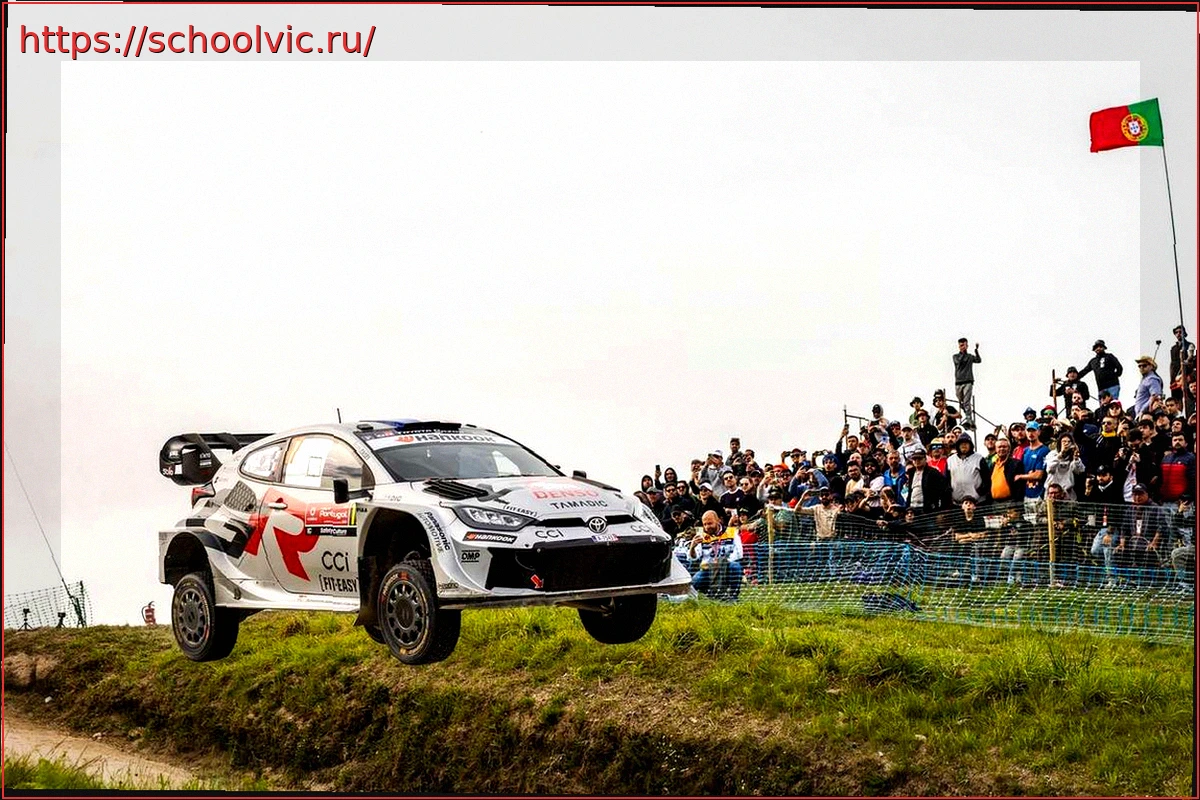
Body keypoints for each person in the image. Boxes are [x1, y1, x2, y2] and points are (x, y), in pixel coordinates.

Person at [687, 510, 744, 600]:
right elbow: (694, 557)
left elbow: (739, 553)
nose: (707, 527)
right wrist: (692, 547)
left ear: (718, 521)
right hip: (708, 570)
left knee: (736, 567)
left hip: (727, 567)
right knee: (696, 580)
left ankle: (733, 596)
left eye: (710, 523)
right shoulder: (701, 536)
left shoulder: (731, 532)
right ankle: (712, 595)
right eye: (705, 524)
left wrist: (722, 562)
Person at [946, 432, 991, 505]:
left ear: (970, 445)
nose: (964, 445)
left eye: (966, 443)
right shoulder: (950, 460)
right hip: (957, 502)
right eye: (961, 443)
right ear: (958, 445)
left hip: (977, 502)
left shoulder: (979, 458)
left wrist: (979, 492)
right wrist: (950, 492)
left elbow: (987, 479)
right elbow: (946, 480)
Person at [901, 447, 947, 514]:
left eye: (919, 458)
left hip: (927, 509)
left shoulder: (933, 473)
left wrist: (939, 510)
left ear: (925, 459)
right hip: (912, 508)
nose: (917, 461)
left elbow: (944, 490)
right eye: (915, 459)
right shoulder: (911, 473)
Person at [1044, 432, 1085, 501]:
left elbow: (1079, 471)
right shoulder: (1052, 454)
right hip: (1052, 492)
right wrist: (1061, 454)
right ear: (1059, 443)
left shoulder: (1073, 456)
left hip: (1067, 493)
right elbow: (1050, 469)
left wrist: (1076, 457)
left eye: (1069, 442)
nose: (1066, 444)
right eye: (1064, 441)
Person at [953, 338, 982, 429]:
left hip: (968, 381)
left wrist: (976, 351)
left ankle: (969, 419)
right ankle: (969, 417)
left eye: (964, 345)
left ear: (967, 346)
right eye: (961, 345)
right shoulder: (955, 356)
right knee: (961, 402)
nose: (962, 347)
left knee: (966, 402)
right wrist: (963, 353)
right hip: (958, 382)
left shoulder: (970, 356)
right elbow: (959, 362)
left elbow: (978, 360)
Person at [1016, 422, 1049, 501]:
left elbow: (1038, 475)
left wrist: (1020, 476)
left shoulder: (1044, 450)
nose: (1031, 433)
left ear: (1039, 432)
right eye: (1028, 431)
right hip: (1026, 494)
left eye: (1033, 430)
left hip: (1039, 494)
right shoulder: (1025, 451)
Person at [1159, 433, 1196, 504]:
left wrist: (1187, 497)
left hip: (1183, 502)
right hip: (1165, 501)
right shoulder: (1166, 458)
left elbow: (1193, 480)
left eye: (1180, 440)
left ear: (1186, 443)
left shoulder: (1191, 458)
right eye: (1175, 440)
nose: (1177, 442)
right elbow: (1160, 479)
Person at [989, 438, 1025, 502]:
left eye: (1004, 447)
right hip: (995, 503)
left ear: (1009, 449)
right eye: (999, 447)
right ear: (996, 449)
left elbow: (1020, 487)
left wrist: (1016, 503)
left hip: (1010, 502)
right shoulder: (993, 465)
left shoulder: (1016, 464)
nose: (1002, 449)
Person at [1169, 325, 1195, 405]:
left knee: (1188, 397)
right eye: (1176, 332)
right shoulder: (1173, 348)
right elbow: (1172, 364)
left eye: (1180, 332)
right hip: (1175, 377)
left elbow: (1190, 357)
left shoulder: (1189, 345)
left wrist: (1185, 363)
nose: (1178, 334)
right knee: (1176, 399)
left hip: (1186, 375)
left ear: (1184, 333)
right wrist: (1172, 378)